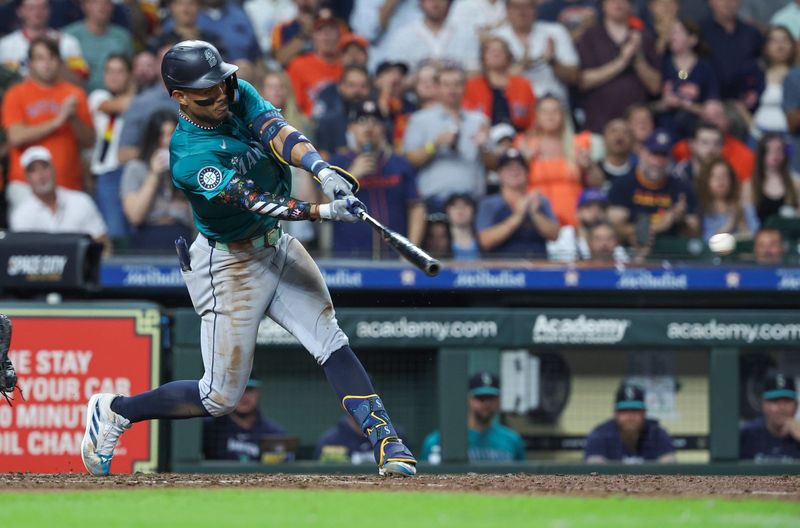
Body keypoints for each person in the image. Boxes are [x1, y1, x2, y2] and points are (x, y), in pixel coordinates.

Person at [80, 40, 417, 478]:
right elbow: (254, 200)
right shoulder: (188, 156)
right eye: (206, 92)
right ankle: (116, 411)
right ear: (178, 97)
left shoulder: (234, 91)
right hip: (230, 265)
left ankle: (388, 442)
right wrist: (321, 211)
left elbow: (280, 133)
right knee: (219, 397)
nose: (220, 96)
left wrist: (322, 170)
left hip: (275, 245)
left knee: (330, 339)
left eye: (221, 83)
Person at [1, 36, 94, 212]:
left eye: (51, 58)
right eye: (40, 58)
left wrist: (73, 118)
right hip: (24, 185)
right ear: (30, 63)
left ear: (59, 62)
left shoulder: (74, 94)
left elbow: (89, 141)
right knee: (29, 239)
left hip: (68, 183)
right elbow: (16, 137)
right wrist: (58, 120)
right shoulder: (16, 94)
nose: (47, 64)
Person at [328, 100, 426, 258]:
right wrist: (351, 175)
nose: (368, 127)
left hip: (393, 257)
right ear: (351, 128)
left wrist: (410, 251)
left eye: (375, 121)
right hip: (348, 260)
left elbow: (416, 207)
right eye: (361, 121)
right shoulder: (337, 164)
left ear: (383, 128)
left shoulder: (399, 163)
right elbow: (321, 206)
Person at [402, 63, 490, 211]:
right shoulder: (420, 119)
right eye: (446, 84)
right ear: (437, 88)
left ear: (464, 87)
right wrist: (434, 145)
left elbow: (493, 164)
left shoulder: (479, 120)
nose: (452, 90)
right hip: (435, 199)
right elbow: (410, 160)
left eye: (457, 84)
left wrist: (483, 147)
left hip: (472, 200)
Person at [577, 0, 661, 134]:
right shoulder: (590, 37)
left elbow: (655, 86)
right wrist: (622, 61)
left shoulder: (644, 37)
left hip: (636, 129)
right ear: (602, 5)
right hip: (598, 125)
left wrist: (638, 57)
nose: (618, 3)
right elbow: (583, 81)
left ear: (631, 5)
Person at [514, 95, 599, 226]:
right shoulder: (524, 143)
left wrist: (589, 167)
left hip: (574, 220)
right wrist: (523, 162)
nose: (550, 116)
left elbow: (597, 184)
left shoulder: (578, 143)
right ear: (536, 116)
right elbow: (512, 186)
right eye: (545, 111)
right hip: (538, 221)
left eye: (555, 111)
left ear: (563, 115)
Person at [608, 129, 700, 246]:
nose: (658, 162)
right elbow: (614, 228)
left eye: (663, 156)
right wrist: (661, 225)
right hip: (631, 251)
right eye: (654, 154)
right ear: (642, 153)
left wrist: (681, 220)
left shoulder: (682, 188)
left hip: (672, 252)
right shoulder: (622, 184)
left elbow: (695, 233)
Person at [10, 145, 109, 252]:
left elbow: (102, 243)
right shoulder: (21, 214)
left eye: (44, 167)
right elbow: (24, 255)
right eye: (33, 171)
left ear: (54, 169)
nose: (41, 175)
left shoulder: (81, 201)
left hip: (81, 267)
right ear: (26, 178)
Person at [120, 110, 194, 250]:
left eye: (171, 134)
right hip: (149, 235)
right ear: (152, 138)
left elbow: (198, 221)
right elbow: (135, 216)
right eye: (161, 135)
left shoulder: (188, 167)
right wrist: (153, 175)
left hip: (182, 234)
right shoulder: (136, 168)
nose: (166, 141)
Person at [421, 372, 526, 463]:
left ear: (499, 400)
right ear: (468, 399)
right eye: (480, 398)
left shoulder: (512, 440)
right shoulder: (439, 440)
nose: (486, 403)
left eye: (491, 398)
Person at [492, 0, 580, 107]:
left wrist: (552, 62)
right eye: (516, 7)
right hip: (513, 109)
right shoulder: (496, 38)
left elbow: (574, 77)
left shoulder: (556, 32)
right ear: (507, 9)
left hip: (553, 108)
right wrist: (521, 67)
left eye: (527, 6)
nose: (521, 12)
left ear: (535, 9)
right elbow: (489, 80)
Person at [476, 148, 560, 258]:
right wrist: (517, 216)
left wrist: (535, 213)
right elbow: (485, 241)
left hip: (537, 267)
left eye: (519, 167)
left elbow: (554, 235)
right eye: (508, 168)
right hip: (503, 272)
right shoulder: (489, 204)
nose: (514, 171)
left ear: (527, 173)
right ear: (499, 174)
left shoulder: (539, 201)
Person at [89, 53, 136, 243]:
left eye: (120, 71)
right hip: (106, 172)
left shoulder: (139, 101)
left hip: (130, 170)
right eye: (109, 71)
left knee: (132, 227)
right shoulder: (99, 96)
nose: (114, 76)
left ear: (128, 75)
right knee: (113, 228)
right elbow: (117, 106)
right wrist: (136, 90)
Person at [656, 17, 719, 140]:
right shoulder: (663, 63)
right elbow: (650, 104)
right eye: (671, 32)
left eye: (677, 32)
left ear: (692, 39)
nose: (672, 37)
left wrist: (683, 104)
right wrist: (664, 103)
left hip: (695, 131)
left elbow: (711, 108)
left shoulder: (704, 68)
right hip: (665, 130)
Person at [584, 382, 677, 464]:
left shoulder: (658, 434)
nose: (630, 416)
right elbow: (593, 468)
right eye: (624, 411)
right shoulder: (600, 434)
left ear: (644, 412)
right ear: (615, 413)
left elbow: (669, 465)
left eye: (635, 410)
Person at [0, 0, 88, 83]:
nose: (37, 13)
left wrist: (57, 56)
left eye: (42, 7)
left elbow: (80, 81)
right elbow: (4, 84)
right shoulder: (5, 45)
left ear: (49, 10)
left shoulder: (67, 42)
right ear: (19, 11)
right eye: (31, 8)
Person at [700, 0, 764, 111]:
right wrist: (684, 78)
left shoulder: (752, 33)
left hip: (745, 105)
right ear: (711, 2)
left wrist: (756, 90)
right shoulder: (699, 31)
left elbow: (761, 67)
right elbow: (683, 69)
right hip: (707, 104)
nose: (727, 3)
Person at [462, 36, 537, 132]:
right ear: (483, 57)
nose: (496, 53)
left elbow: (533, 117)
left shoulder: (523, 84)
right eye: (491, 51)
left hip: (518, 137)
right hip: (481, 136)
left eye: (501, 50)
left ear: (508, 56)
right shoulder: (471, 85)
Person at [381, 0, 478, 73]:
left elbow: (474, 71)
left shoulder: (464, 33)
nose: (435, 2)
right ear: (421, 2)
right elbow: (395, 77)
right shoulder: (404, 35)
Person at [202, 379, 288, 461]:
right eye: (237, 390)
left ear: (258, 393)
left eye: (248, 390)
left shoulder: (273, 433)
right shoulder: (209, 428)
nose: (243, 396)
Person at [672, 100, 755, 183]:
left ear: (728, 121)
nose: (711, 121)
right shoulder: (681, 149)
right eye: (706, 117)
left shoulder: (744, 155)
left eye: (717, 116)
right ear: (693, 145)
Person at [63, 0, 134, 93]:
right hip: (77, 97)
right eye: (95, 2)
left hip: (116, 98)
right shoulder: (68, 36)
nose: (102, 6)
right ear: (84, 6)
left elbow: (131, 74)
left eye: (107, 2)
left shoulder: (123, 37)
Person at [287, 9, 343, 117]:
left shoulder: (346, 67)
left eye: (331, 30)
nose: (326, 36)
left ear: (338, 36)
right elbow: (295, 107)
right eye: (321, 31)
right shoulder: (298, 65)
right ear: (313, 37)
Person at [548, 188, 628, 262]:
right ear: (578, 212)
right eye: (588, 206)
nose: (595, 212)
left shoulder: (611, 240)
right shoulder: (563, 235)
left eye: (601, 208)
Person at [313, 64, 372, 157]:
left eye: (363, 86)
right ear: (341, 87)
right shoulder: (328, 122)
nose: (357, 91)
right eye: (352, 85)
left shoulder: (379, 121)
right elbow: (323, 158)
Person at [740, 372, 800, 461]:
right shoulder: (749, 433)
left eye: (787, 401)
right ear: (763, 405)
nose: (781, 408)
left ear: (796, 406)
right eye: (775, 401)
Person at [695, 157, 758, 242]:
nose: (720, 180)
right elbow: (708, 243)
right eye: (715, 176)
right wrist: (731, 222)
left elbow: (756, 240)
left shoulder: (745, 207)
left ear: (731, 179)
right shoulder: (703, 210)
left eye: (724, 175)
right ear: (706, 181)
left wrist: (742, 222)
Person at [750, 26, 794, 142]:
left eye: (785, 40)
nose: (780, 46)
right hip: (759, 135)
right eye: (774, 41)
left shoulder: (797, 76)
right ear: (766, 47)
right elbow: (738, 101)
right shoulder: (756, 74)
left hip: (791, 137)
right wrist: (751, 126)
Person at [743, 134, 800, 225]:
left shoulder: (796, 183)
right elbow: (747, 219)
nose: (775, 155)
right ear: (762, 153)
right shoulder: (749, 185)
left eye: (779, 150)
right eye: (769, 151)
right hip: (760, 235)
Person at [598, 118, 637, 188]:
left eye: (625, 132)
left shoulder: (639, 175)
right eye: (613, 131)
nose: (619, 137)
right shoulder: (594, 170)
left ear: (632, 141)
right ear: (604, 138)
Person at [445, 193, 480, 261]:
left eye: (466, 205)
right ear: (447, 210)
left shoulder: (483, 238)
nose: (460, 209)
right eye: (455, 206)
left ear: (473, 210)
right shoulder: (441, 239)